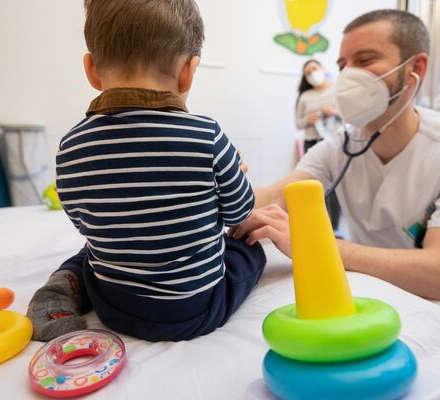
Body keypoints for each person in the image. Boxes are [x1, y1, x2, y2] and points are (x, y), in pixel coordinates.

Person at [232, 9, 440, 353]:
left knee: (391, 343)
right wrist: (217, 182)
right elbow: (274, 196)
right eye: (344, 64)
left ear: (415, 69)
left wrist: (313, 245)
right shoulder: (341, 146)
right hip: (389, 279)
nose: (348, 76)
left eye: (365, 60)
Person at [26, 0, 266, 343]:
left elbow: (84, 222)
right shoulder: (207, 135)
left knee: (95, 247)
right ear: (188, 71)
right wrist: (233, 176)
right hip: (194, 310)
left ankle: (67, 281)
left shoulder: (71, 146)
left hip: (113, 306)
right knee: (249, 247)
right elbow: (240, 212)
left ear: (92, 69)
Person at [295, 59, 342, 229]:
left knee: (335, 187)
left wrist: (334, 112)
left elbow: (349, 115)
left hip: (334, 143)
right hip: (312, 143)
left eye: (314, 69)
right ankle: (320, 225)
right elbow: (298, 123)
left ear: (322, 68)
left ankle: (334, 227)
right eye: (308, 73)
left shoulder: (337, 89)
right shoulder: (305, 96)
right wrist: (308, 119)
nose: (312, 74)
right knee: (315, 186)